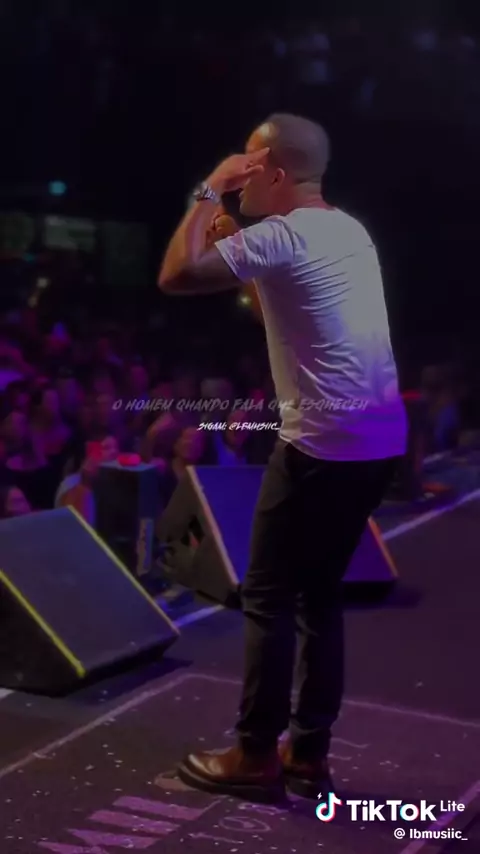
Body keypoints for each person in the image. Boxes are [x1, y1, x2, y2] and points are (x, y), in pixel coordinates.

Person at [159, 113, 407, 802]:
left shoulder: (285, 235)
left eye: (247, 168)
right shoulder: (347, 230)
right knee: (319, 595)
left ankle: (254, 753)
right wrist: (235, 241)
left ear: (273, 171)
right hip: (378, 441)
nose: (239, 184)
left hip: (321, 445)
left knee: (267, 596)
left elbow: (176, 275)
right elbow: (284, 296)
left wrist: (208, 189)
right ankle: (308, 753)